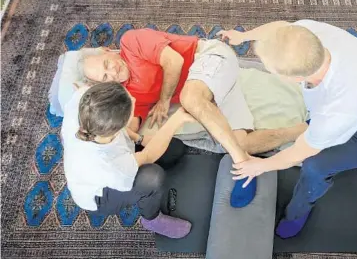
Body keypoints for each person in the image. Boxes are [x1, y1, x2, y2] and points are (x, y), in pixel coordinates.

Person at [219, 20, 357, 238]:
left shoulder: (338, 110)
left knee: (315, 166)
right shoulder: (308, 34)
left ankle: (297, 213)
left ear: (295, 79)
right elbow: (279, 28)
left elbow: (299, 152)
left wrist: (261, 166)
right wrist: (243, 36)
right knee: (315, 133)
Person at [79, 28, 307, 208]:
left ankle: (242, 163)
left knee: (189, 98)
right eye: (106, 77)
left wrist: (164, 101)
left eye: (108, 65)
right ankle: (299, 130)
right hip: (217, 89)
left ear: (106, 50)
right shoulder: (126, 94)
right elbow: (129, 127)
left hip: (209, 59)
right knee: (238, 142)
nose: (114, 73)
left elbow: (174, 61)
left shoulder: (131, 42)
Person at [61, 81, 196, 238]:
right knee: (152, 177)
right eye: (131, 104)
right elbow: (147, 156)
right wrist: (175, 121)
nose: (133, 99)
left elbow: (82, 89)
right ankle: (151, 219)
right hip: (99, 198)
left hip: (106, 158)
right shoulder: (110, 165)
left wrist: (139, 139)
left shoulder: (85, 99)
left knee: (174, 149)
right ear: (117, 128)